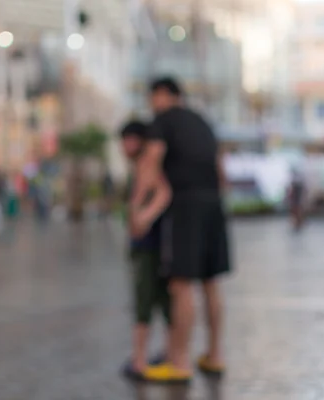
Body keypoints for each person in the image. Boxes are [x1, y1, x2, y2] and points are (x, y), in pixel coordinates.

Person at [133, 77, 231, 383]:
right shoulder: (202, 121)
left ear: (162, 95)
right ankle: (214, 356)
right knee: (210, 283)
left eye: (153, 97)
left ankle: (179, 362)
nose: (152, 104)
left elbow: (151, 161)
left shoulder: (162, 121)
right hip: (213, 204)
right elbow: (220, 169)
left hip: (184, 206)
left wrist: (138, 208)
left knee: (180, 284)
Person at [120, 121, 172, 380]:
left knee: (146, 300)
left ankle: (139, 359)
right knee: (162, 300)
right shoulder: (141, 165)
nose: (126, 145)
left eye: (131, 139)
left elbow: (163, 192)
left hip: (149, 246)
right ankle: (167, 352)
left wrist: (143, 217)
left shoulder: (146, 164)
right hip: (151, 244)